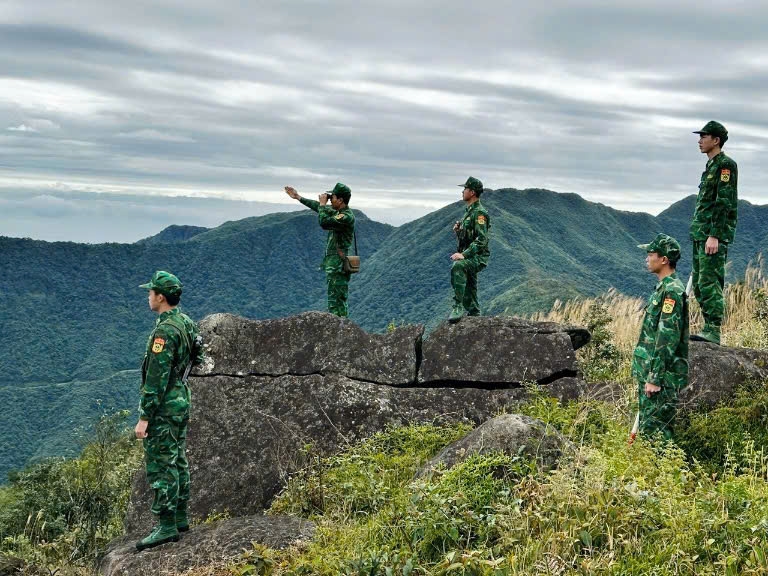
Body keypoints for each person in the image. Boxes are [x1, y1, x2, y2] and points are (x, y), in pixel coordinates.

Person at [134, 271, 203, 551]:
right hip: (181, 399)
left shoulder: (164, 332)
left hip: (164, 406)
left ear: (160, 297)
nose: (148, 297)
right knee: (177, 459)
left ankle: (166, 525)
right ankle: (180, 517)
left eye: (151, 293)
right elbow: (198, 356)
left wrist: (144, 417)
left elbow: (155, 378)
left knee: (162, 463)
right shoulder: (186, 322)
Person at [631, 234, 689, 440]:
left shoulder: (672, 291)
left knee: (657, 437)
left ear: (664, 259)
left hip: (661, 379)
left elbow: (667, 337)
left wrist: (655, 378)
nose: (647, 258)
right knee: (649, 434)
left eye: (651, 254)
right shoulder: (662, 288)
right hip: (650, 373)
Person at [690, 120, 738, 345]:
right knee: (700, 283)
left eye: (704, 136)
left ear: (716, 140)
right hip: (700, 233)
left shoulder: (725, 165)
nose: (700, 141)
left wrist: (715, 235)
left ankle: (713, 329)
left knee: (710, 281)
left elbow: (723, 201)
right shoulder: (710, 166)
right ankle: (707, 327)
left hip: (712, 235)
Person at [284, 183, 355, 317]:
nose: (330, 199)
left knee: (336, 297)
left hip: (338, 264)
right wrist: (298, 197)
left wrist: (323, 205)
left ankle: (339, 325)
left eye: (332, 197)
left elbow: (324, 222)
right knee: (336, 296)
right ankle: (341, 323)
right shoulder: (339, 213)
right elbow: (317, 207)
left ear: (340, 200)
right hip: (335, 262)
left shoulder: (345, 217)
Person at [449, 176, 490, 323]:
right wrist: (459, 231)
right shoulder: (469, 212)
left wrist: (464, 255)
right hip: (471, 255)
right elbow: (469, 238)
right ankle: (474, 314)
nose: (462, 191)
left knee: (458, 267)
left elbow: (481, 239)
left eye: (465, 189)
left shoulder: (479, 213)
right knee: (470, 286)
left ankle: (457, 306)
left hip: (477, 257)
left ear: (472, 192)